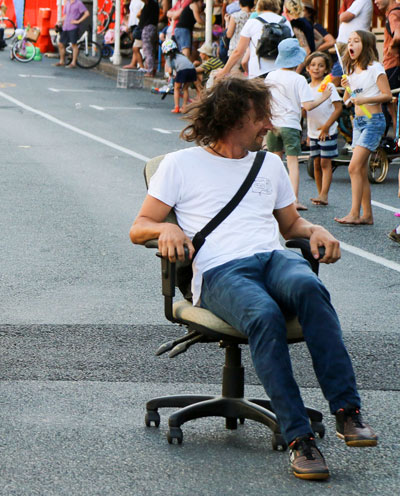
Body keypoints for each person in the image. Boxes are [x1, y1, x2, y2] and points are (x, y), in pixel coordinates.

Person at [129, 75, 378, 482]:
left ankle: (347, 412)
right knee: (263, 313)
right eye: (260, 117)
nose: (269, 125)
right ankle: (299, 439)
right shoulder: (179, 165)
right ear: (231, 118)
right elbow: (139, 226)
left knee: (310, 287)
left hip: (273, 259)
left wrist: (315, 231)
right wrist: (166, 229)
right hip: (220, 271)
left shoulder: (268, 164)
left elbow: (291, 223)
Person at [265, 38, 332, 211]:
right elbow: (307, 106)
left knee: (275, 162)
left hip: (273, 124)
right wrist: (323, 97)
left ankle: (272, 199)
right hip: (291, 125)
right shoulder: (299, 79)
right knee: (293, 163)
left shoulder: (271, 75)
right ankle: (293, 200)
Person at [335, 30, 391, 226]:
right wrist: (346, 87)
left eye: (356, 41)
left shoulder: (375, 68)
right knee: (360, 169)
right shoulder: (350, 70)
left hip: (374, 121)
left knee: (353, 167)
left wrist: (365, 98)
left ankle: (353, 213)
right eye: (349, 41)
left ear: (365, 45)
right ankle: (367, 216)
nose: (351, 44)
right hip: (358, 122)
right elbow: (348, 100)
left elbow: (386, 95)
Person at [216, 0, 292, 80]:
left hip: (258, 73)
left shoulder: (253, 22)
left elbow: (238, 52)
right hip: (280, 73)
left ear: (260, 3)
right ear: (277, 4)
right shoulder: (285, 22)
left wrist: (225, 71)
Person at [305, 51, 343, 206]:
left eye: (320, 66)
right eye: (313, 65)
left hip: (327, 131)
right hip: (313, 132)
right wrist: (307, 134)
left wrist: (327, 126)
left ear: (326, 69)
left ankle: (324, 195)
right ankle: (320, 194)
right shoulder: (306, 87)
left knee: (325, 163)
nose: (316, 68)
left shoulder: (329, 86)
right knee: (316, 163)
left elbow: (338, 108)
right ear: (307, 68)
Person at [371, 0, 400, 91]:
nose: (375, 1)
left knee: (388, 102)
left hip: (393, 65)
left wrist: (390, 49)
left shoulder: (393, 15)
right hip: (395, 66)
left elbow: (398, 36)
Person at [162, 38, 201, 114]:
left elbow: (170, 71)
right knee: (185, 88)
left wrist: (171, 76)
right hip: (192, 69)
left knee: (177, 88)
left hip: (183, 71)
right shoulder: (181, 54)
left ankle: (176, 107)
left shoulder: (168, 57)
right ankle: (184, 107)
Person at [55, 0, 89, 69]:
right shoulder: (67, 3)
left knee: (74, 44)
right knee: (60, 44)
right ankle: (62, 61)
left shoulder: (79, 3)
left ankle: (73, 63)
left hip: (73, 27)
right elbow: (66, 15)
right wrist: (59, 21)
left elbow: (87, 13)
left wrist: (78, 21)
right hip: (65, 26)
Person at [224, 0, 253, 72]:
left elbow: (229, 34)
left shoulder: (235, 16)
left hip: (236, 50)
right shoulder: (254, 16)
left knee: (235, 80)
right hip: (249, 52)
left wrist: (227, 22)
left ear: (240, 4)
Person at [138, 0, 160, 77]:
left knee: (148, 50)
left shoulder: (150, 3)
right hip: (153, 27)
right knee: (152, 49)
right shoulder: (155, 4)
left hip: (147, 28)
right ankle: (152, 69)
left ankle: (150, 70)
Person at [123, 0, 145, 70]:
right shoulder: (133, 0)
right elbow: (131, 12)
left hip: (138, 23)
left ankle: (135, 63)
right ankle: (134, 62)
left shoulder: (141, 1)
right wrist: (128, 23)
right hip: (132, 22)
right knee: (134, 44)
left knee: (136, 45)